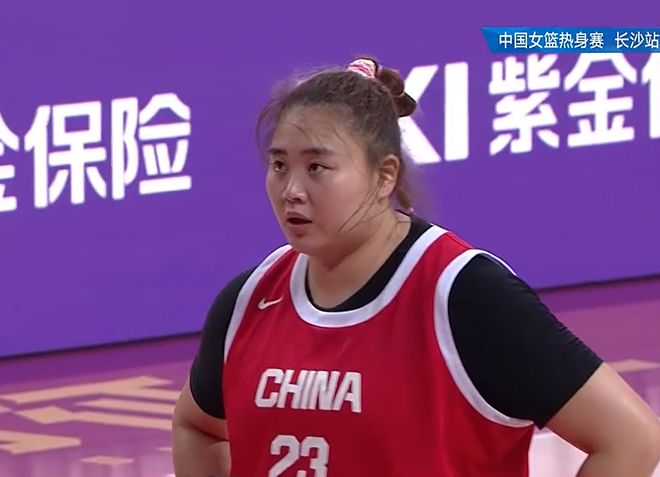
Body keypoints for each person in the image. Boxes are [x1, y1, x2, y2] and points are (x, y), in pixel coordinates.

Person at [172, 56, 660, 477]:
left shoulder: (465, 294)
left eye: (316, 167)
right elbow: (197, 424)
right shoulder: (251, 299)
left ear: (385, 176)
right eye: (280, 165)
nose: (291, 190)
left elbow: (631, 439)